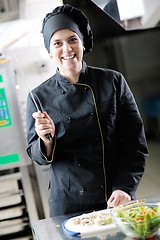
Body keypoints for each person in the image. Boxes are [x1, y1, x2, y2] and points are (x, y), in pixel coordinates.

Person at [26, 4, 148, 217]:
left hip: (114, 196)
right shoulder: (38, 96)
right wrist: (46, 140)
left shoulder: (113, 81)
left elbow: (135, 144)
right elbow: (36, 155)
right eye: (57, 43)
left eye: (73, 39)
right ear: (49, 50)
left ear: (83, 43)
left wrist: (124, 187)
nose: (67, 49)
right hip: (68, 203)